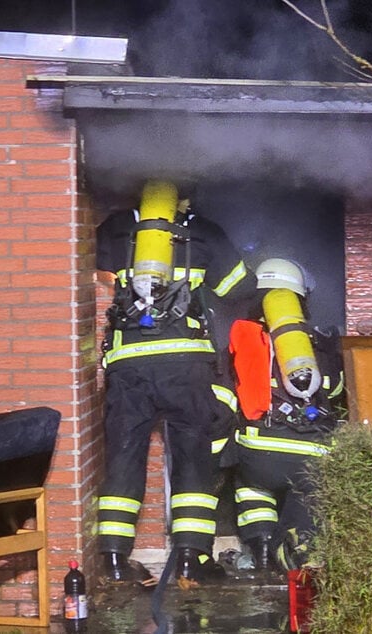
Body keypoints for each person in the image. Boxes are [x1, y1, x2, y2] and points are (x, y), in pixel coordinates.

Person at [95, 180, 257, 584]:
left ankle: (113, 561)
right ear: (183, 196)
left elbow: (95, 280)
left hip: (127, 364)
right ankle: (190, 559)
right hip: (186, 365)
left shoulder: (113, 229)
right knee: (193, 458)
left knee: (123, 456)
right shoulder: (202, 231)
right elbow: (240, 289)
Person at [225, 257, 345, 572]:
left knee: (250, 482)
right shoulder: (315, 342)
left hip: (260, 447)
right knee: (305, 490)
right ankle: (296, 552)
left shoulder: (246, 339)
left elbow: (231, 391)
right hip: (310, 452)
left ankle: (262, 546)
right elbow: (334, 391)